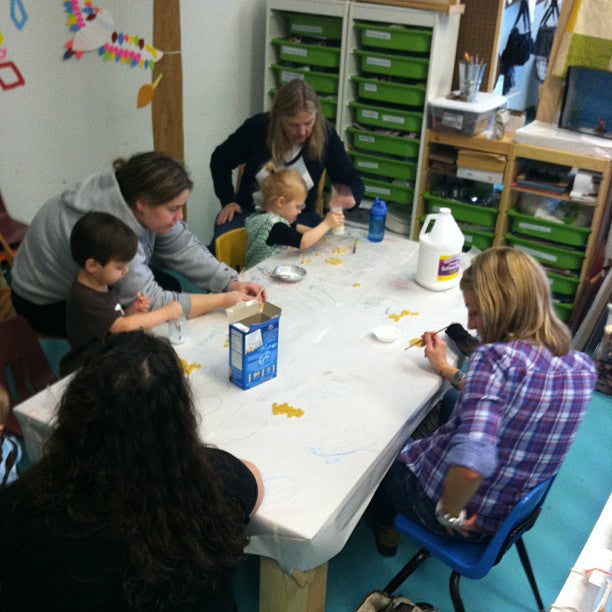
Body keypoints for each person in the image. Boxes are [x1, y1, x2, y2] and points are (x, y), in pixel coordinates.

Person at [0, 331, 264, 610]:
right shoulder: (214, 487)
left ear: (75, 412)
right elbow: (253, 479)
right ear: (178, 421)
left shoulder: (21, 504)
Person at [367, 247, 596, 555]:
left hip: (466, 520)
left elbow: (472, 467)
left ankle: (386, 529)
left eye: (476, 312)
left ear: (502, 308)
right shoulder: (580, 366)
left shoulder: (493, 360)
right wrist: (447, 369)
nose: (471, 324)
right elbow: (506, 398)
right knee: (449, 402)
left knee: (374, 463)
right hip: (507, 516)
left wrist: (448, 512)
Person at [11, 151, 266, 337]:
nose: (179, 217)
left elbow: (184, 247)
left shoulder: (132, 193)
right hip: (42, 303)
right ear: (142, 203)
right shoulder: (109, 231)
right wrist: (223, 300)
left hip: (87, 274)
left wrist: (231, 282)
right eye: (173, 209)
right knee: (137, 333)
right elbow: (155, 303)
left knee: (171, 286)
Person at [210, 78, 364, 243]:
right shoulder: (258, 128)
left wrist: (352, 196)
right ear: (278, 118)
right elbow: (220, 160)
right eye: (293, 125)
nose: (302, 132)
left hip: (300, 217)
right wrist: (228, 200)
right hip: (251, 215)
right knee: (223, 244)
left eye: (308, 123)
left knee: (318, 252)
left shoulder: (326, 136)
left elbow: (350, 178)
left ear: (316, 117)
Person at [66, 211, 186, 351]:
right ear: (92, 266)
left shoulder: (102, 284)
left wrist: (130, 311)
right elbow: (123, 326)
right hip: (91, 364)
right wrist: (166, 313)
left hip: (112, 352)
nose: (126, 270)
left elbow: (112, 321)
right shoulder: (84, 298)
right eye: (119, 267)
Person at [245, 165, 344, 269]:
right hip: (259, 275)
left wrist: (321, 233)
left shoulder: (269, 217)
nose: (300, 211)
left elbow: (298, 228)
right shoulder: (274, 227)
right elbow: (303, 242)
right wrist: (327, 224)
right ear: (281, 202)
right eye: (297, 206)